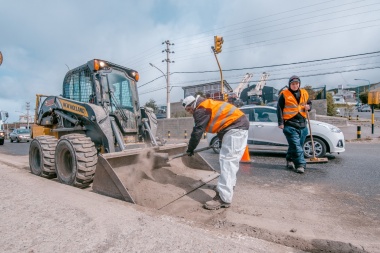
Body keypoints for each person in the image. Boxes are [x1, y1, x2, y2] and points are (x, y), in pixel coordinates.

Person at [182, 95, 249, 210]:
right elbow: (220, 122)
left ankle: (223, 198)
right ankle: (228, 189)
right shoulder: (207, 105)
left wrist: (190, 149)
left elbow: (197, 131)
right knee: (230, 163)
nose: (189, 112)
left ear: (192, 104)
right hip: (237, 127)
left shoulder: (201, 109)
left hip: (235, 128)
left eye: (189, 109)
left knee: (228, 163)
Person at [277, 75, 311, 174]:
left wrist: (309, 107)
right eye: (293, 84)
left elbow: (309, 103)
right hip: (290, 124)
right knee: (297, 146)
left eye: (296, 83)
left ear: (299, 84)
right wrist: (280, 122)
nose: (295, 85)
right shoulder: (284, 94)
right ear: (289, 85)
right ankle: (300, 165)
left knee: (297, 145)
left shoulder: (304, 93)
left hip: (302, 124)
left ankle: (289, 159)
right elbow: (279, 108)